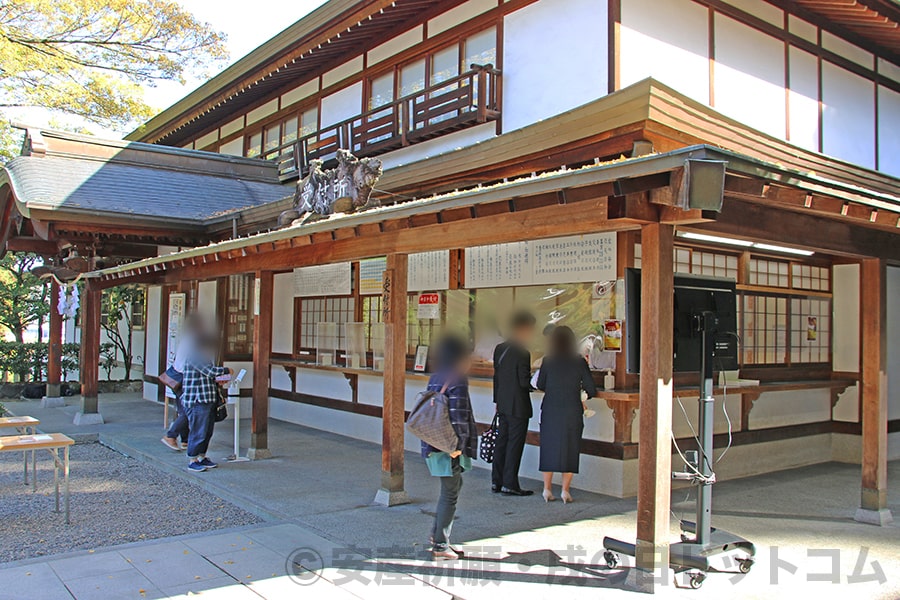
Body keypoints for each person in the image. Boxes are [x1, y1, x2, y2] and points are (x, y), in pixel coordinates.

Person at [422, 334, 478, 560]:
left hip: (433, 442)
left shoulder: (436, 376)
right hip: (448, 446)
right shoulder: (458, 379)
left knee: (451, 488)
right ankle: (440, 545)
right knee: (450, 493)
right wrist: (458, 446)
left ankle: (438, 537)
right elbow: (459, 417)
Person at [536, 325, 597, 503]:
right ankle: (565, 491)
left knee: (548, 447)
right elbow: (591, 388)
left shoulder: (548, 361)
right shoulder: (579, 362)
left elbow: (540, 384)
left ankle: (547, 489)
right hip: (572, 410)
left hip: (550, 410)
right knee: (570, 447)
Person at [491, 310, 537, 496]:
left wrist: (496, 400)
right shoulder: (522, 353)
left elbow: (497, 378)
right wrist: (537, 380)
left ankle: (497, 481)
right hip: (518, 406)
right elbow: (524, 382)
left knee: (502, 441)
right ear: (523, 328)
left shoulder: (500, 349)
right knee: (514, 444)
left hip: (502, 403)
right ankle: (510, 483)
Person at [181, 331, 231, 472]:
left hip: (206, 398)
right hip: (197, 400)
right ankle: (192, 459)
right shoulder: (195, 356)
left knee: (207, 431)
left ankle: (202, 456)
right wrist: (226, 370)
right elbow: (209, 372)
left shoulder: (203, 356)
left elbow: (207, 376)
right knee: (198, 430)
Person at [161, 314, 203, 451]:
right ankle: (171, 436)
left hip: (176, 376)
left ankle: (185, 440)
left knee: (182, 409)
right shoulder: (194, 339)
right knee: (188, 410)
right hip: (184, 378)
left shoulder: (187, 338)